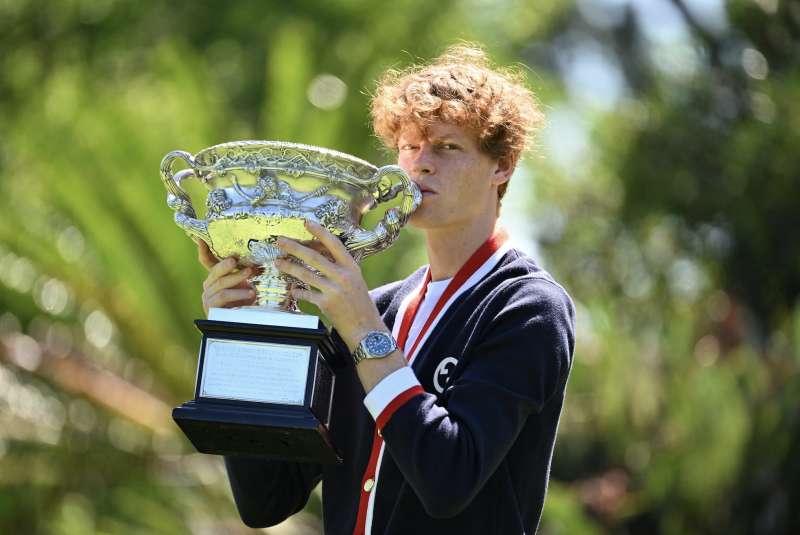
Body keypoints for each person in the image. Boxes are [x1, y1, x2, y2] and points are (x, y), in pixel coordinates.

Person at [198, 44, 575, 535]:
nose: (419, 165)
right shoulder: (380, 308)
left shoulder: (529, 307)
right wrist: (246, 332)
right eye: (409, 146)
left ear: (501, 165)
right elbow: (267, 499)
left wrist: (360, 330)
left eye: (447, 148)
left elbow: (448, 478)